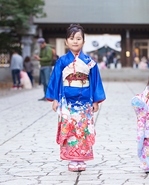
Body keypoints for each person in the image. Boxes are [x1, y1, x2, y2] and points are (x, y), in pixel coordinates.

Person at [45, 24, 106, 172]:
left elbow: (95, 81)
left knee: (83, 129)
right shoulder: (62, 61)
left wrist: (96, 100)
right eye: (71, 39)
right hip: (67, 101)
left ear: (84, 41)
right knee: (70, 129)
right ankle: (73, 158)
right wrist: (55, 99)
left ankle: (81, 158)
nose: (75, 41)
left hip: (85, 101)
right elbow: (56, 80)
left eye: (78, 38)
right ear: (66, 41)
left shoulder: (89, 62)